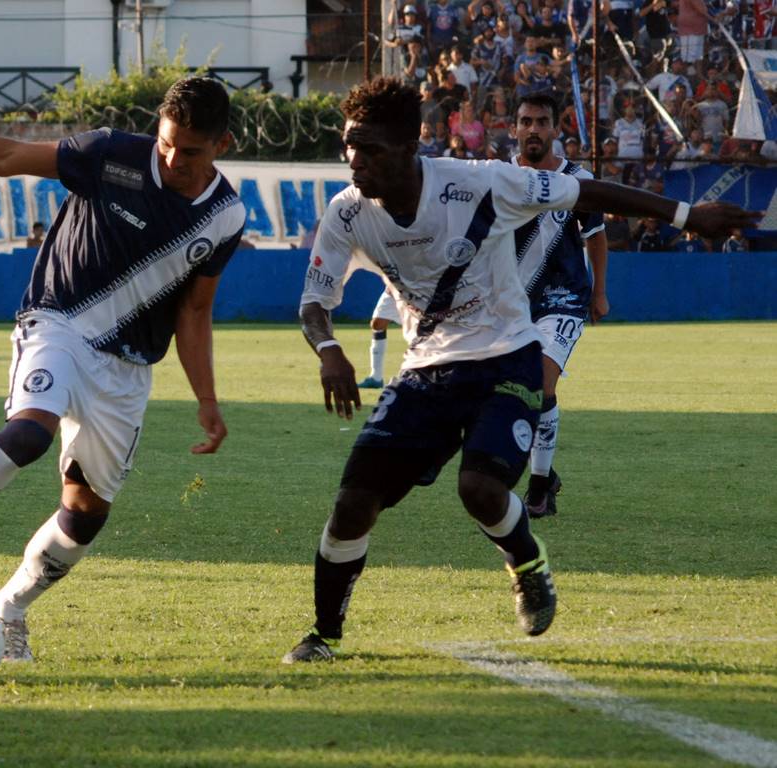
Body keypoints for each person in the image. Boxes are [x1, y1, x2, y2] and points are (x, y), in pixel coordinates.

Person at [281, 76, 757, 663]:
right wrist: (328, 349)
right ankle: (324, 634)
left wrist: (687, 214)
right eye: (348, 148)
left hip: (507, 355)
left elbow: (584, 191)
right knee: (352, 503)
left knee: (479, 488)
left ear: (410, 147)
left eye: (370, 150)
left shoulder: (478, 183)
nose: (355, 162)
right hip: (426, 370)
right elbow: (313, 302)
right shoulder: (348, 212)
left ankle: (527, 563)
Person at [0, 76, 246, 662]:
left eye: (190, 151)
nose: (172, 159)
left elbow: (195, 309)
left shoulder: (225, 216)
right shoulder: (112, 154)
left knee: (86, 512)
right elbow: (7, 156)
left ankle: (10, 609)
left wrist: (207, 399)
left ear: (223, 145)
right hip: (58, 323)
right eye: (166, 143)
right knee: (29, 433)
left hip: (127, 368)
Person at [510, 93, 609, 518]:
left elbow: (598, 236)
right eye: (526, 121)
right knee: (512, 393)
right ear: (514, 128)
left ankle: (536, 490)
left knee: (543, 385)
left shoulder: (577, 179)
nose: (534, 129)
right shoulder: (501, 177)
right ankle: (547, 477)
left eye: (542, 121)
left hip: (565, 299)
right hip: (512, 303)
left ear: (555, 129)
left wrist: (599, 290)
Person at [358, 287, 403, 389]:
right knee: (377, 324)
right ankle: (376, 378)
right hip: (394, 288)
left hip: (420, 288)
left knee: (421, 327)